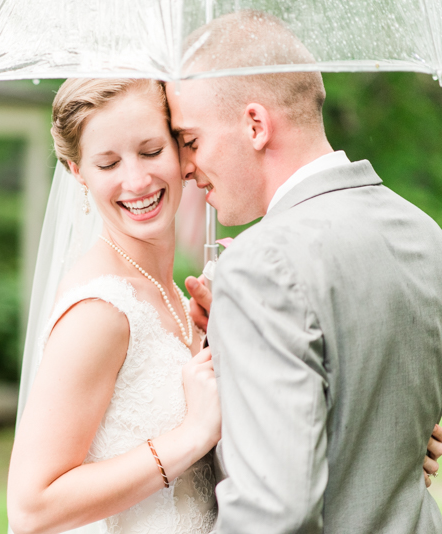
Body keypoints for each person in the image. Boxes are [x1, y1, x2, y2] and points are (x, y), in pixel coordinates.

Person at [166, 10, 442, 533]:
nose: (184, 164)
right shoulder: (423, 232)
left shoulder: (261, 264)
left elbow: (273, 512)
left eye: (192, 140)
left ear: (255, 125)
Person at [7, 78, 221, 534]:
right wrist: (191, 437)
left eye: (150, 151)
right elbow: (31, 509)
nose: (137, 180)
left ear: (181, 148)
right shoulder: (100, 310)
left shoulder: (177, 297)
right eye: (108, 163)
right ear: (77, 172)